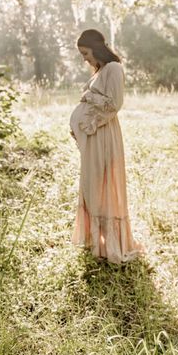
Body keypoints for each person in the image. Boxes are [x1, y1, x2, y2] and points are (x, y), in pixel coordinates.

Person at [69, 29, 146, 264]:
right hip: (95, 135)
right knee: (91, 185)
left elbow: (114, 104)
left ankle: (112, 244)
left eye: (85, 53)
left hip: (104, 135)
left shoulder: (113, 68)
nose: (84, 59)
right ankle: (98, 241)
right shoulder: (101, 70)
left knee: (102, 185)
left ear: (96, 47)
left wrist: (88, 104)